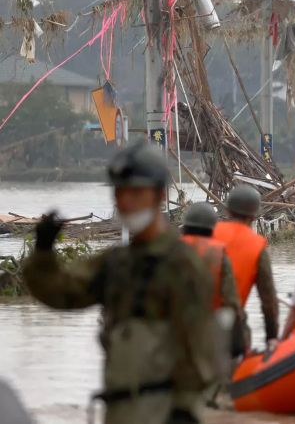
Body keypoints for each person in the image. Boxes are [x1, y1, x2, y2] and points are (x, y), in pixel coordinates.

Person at [21, 143, 219, 424]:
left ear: (159, 195)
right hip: (118, 409)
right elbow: (62, 294)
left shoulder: (182, 265)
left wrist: (184, 410)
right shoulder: (115, 263)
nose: (126, 201)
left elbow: (200, 349)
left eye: (136, 192)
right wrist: (43, 251)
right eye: (120, 191)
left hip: (163, 410)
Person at [212, 185, 279, 354]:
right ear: (255, 216)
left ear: (227, 211)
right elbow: (268, 300)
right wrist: (272, 337)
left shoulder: (207, 233)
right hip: (228, 326)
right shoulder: (257, 245)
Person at [181, 203, 244, 357]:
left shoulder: (167, 249)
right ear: (212, 228)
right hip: (206, 334)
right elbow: (231, 302)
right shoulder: (218, 254)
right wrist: (237, 346)